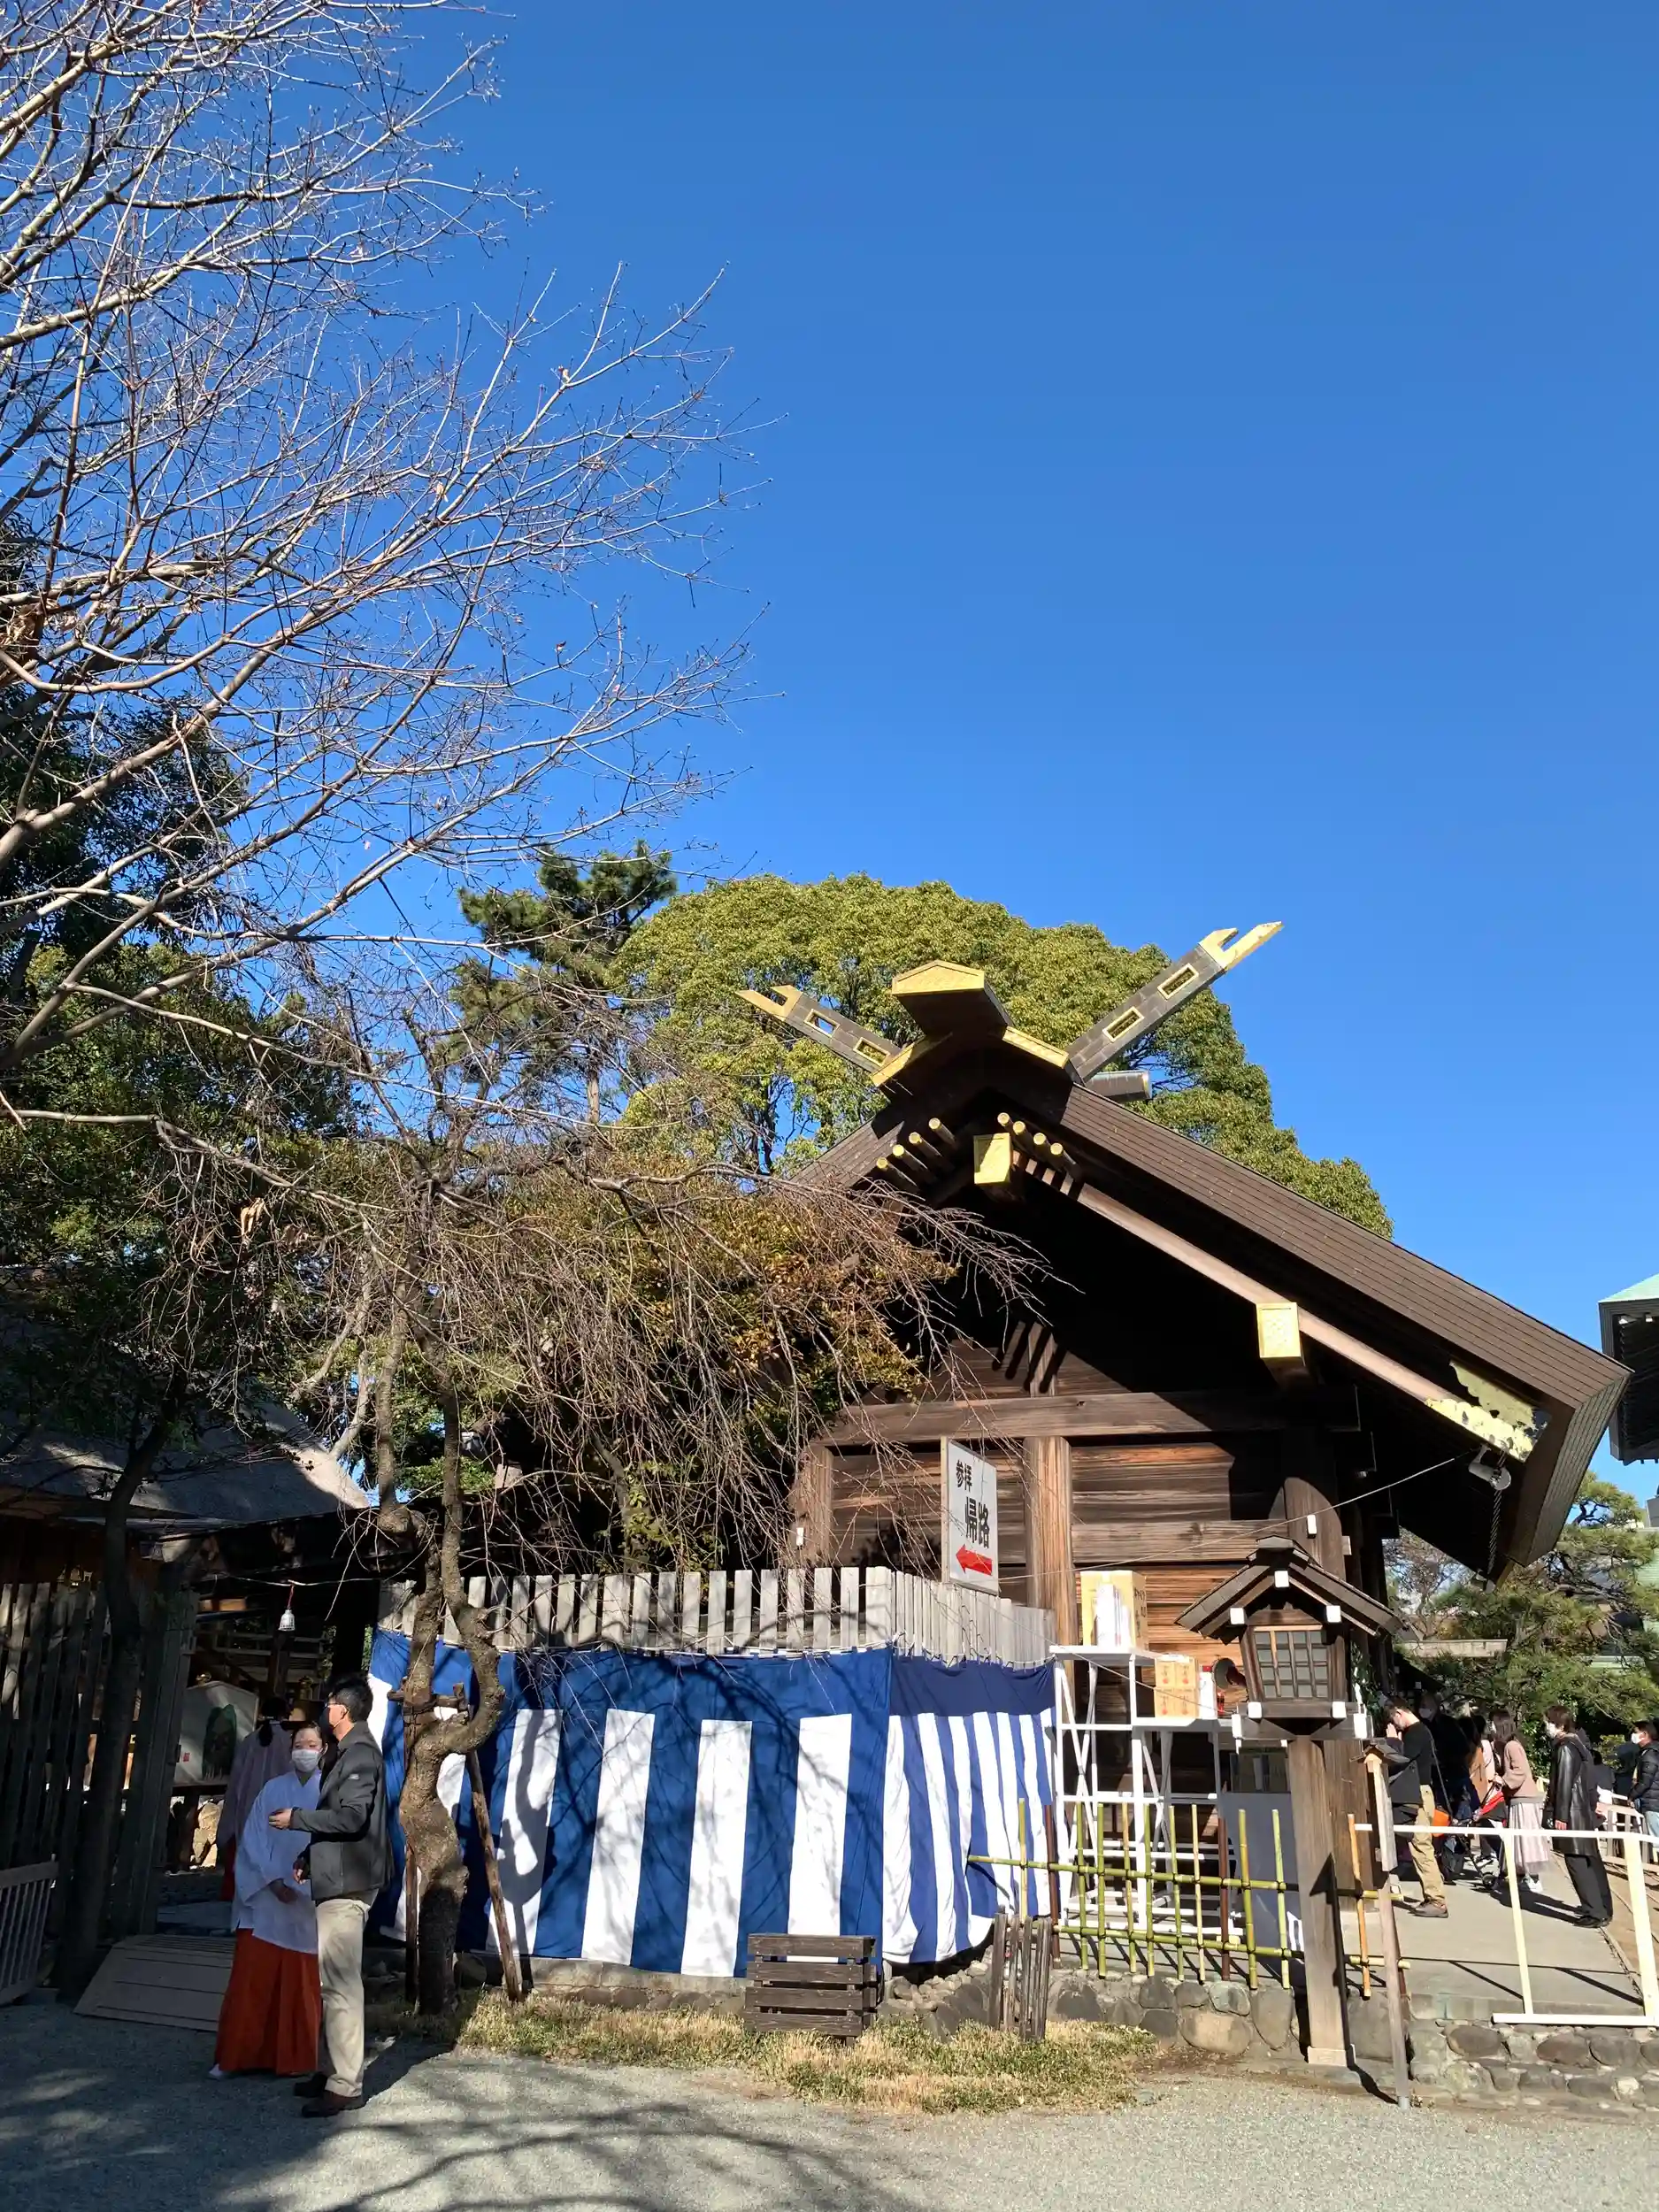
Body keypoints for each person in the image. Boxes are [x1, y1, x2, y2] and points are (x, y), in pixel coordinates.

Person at [273, 1675, 390, 2118]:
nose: (324, 1710)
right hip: (338, 1876)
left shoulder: (360, 1754)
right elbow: (338, 1820)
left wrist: (298, 1819)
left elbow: (352, 1817)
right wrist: (309, 1855)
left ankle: (345, 2084)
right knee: (330, 1982)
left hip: (349, 1882)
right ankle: (329, 2070)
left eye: (328, 1704)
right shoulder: (348, 1752)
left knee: (340, 1984)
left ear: (341, 1710)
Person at [211, 1722, 326, 2078]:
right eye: (299, 1744)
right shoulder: (273, 1789)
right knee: (250, 1982)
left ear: (323, 1750)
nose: (305, 1750)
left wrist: (305, 1883)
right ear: (290, 1750)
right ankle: (237, 2056)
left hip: (306, 1900)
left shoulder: (330, 1791)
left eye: (312, 1744)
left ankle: (294, 2058)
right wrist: (273, 1880)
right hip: (265, 1895)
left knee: (300, 1984)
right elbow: (252, 1839)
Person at [217, 1694, 296, 1899]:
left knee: (247, 1850)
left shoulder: (249, 1741)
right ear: (284, 1715)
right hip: (277, 1808)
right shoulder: (287, 1742)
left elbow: (237, 1779)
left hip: (247, 1805)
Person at [1542, 1704, 1613, 1927]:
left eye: (1548, 1722)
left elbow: (1563, 1783)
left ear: (1559, 1723)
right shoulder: (1579, 1745)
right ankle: (1602, 1906)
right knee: (1591, 1860)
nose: (1546, 1727)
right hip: (1582, 1811)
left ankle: (1594, 1911)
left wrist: (1560, 1816)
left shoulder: (1565, 1747)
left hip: (1571, 1814)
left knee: (1577, 1862)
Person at [1382, 1699, 1447, 1916]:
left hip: (1417, 1794)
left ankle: (1436, 1900)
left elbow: (1401, 1759)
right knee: (1420, 1845)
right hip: (1419, 1792)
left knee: (1421, 1846)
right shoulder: (1421, 1731)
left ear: (1399, 1713)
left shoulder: (1416, 1733)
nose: (1395, 1725)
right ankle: (1433, 1897)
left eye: (1394, 1720)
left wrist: (1393, 1741)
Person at [1488, 1710, 1548, 1894]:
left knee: (1526, 1840)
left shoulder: (1511, 1746)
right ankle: (1521, 1876)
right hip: (1519, 1798)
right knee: (1519, 1840)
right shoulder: (1511, 1744)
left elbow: (1520, 1771)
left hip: (1524, 1799)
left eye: (1493, 1723)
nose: (1491, 1727)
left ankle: (1534, 1879)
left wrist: (1502, 1780)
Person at [1632, 1719, 1659, 1841]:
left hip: (1653, 1803)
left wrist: (1632, 1795)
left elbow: (1645, 1781)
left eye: (1636, 1732)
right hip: (1653, 1802)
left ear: (1644, 1734)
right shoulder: (1652, 1752)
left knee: (1656, 1841)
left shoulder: (1650, 1754)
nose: (1633, 1735)